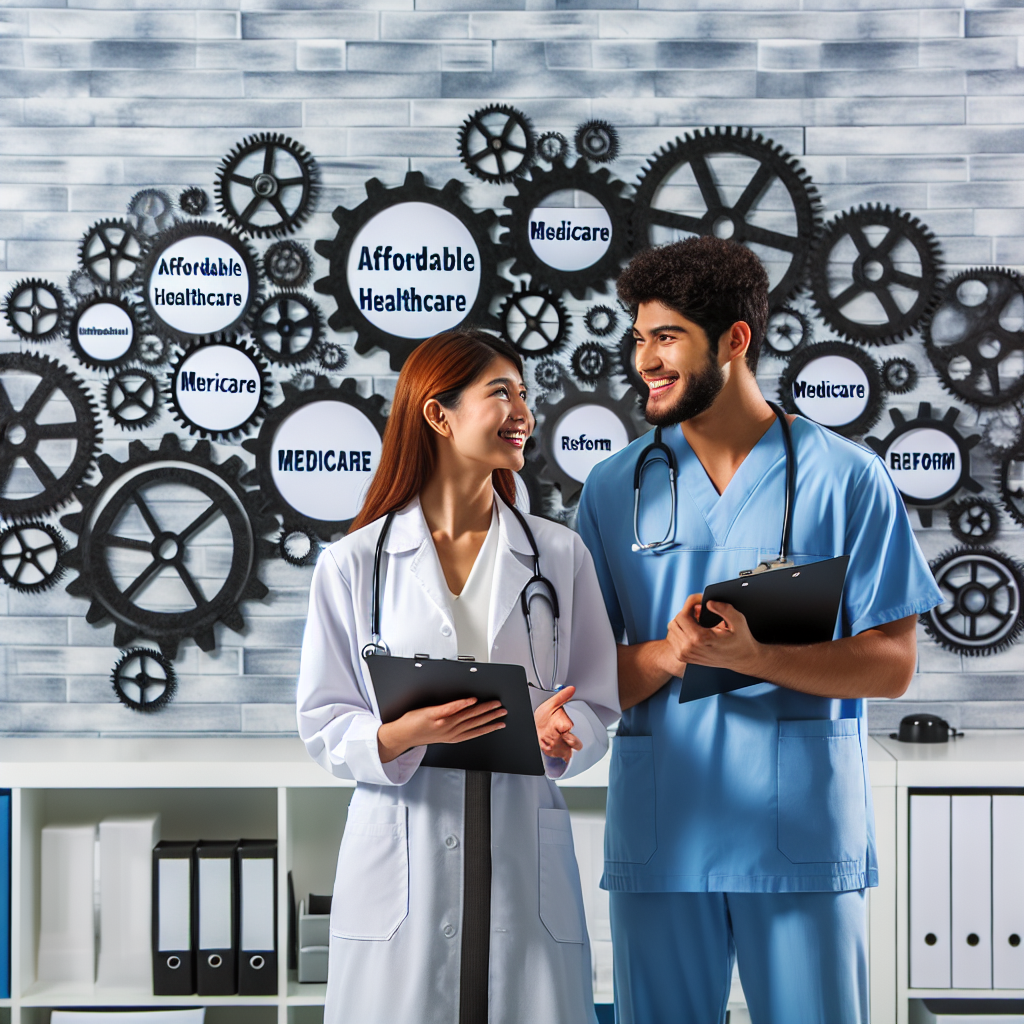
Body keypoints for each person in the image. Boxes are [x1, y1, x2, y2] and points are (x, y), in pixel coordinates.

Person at [577, 237, 942, 1024]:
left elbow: (892, 666)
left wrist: (757, 657)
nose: (645, 359)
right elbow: (588, 676)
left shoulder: (847, 478)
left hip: (797, 835)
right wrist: (672, 654)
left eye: (667, 336)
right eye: (638, 337)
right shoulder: (612, 488)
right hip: (665, 834)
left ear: (735, 340)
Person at [296, 329, 620, 1024]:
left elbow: (596, 701)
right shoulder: (354, 564)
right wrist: (399, 735)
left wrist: (569, 733)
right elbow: (324, 721)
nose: (523, 413)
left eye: (526, 395)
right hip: (403, 847)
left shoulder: (559, 556)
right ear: (437, 415)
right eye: (500, 393)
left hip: (522, 851)